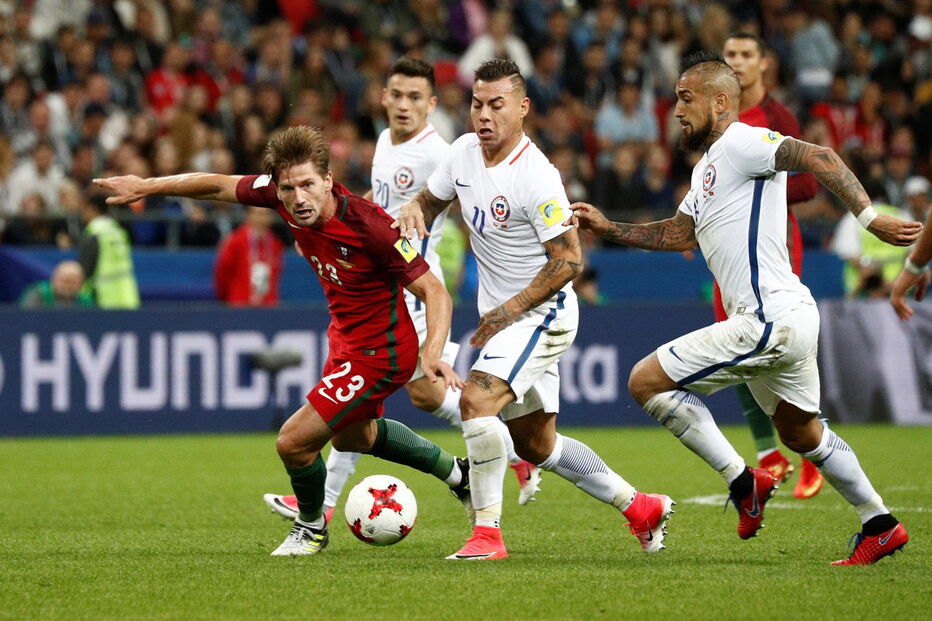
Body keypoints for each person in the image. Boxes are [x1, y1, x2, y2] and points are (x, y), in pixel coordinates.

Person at [570, 51, 919, 565]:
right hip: (789, 318)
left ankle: (744, 481)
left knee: (645, 382)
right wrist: (610, 229)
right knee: (801, 431)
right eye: (675, 101)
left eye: (686, 99)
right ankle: (880, 523)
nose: (678, 111)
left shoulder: (742, 141)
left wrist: (868, 219)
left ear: (719, 101)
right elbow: (679, 231)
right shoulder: (709, 167)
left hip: (767, 319)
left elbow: (820, 156)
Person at [94, 126, 472, 557]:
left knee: (293, 442)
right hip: (346, 341)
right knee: (354, 438)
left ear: (328, 180)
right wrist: (146, 186)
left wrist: (433, 353)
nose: (298, 199)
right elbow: (215, 185)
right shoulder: (278, 194)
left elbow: (435, 291)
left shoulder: (371, 226)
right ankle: (458, 475)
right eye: (289, 188)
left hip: (382, 353)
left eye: (309, 185)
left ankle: (310, 528)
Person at [395, 59, 673, 561]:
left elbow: (569, 259)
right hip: (505, 317)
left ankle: (486, 534)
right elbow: (432, 200)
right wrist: (416, 207)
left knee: (474, 403)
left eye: (497, 105)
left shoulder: (537, 176)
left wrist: (510, 309)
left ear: (522, 109)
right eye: (477, 104)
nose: (484, 115)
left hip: (541, 314)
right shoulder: (462, 154)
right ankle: (641, 506)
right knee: (536, 445)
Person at [263, 58, 542, 525]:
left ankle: (509, 450)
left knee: (405, 396)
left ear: (432, 105)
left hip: (410, 289)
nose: (404, 105)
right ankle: (328, 503)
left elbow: (457, 211)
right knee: (397, 401)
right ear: (384, 98)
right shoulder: (384, 143)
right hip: (382, 284)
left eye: (416, 97)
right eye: (397, 94)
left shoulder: (439, 152)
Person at [722, 31, 823, 499]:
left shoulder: (779, 118)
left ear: (764, 63)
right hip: (727, 242)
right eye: (730, 55)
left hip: (776, 243)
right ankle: (769, 455)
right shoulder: (719, 113)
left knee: (779, 342)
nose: (737, 62)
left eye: (746, 54)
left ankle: (811, 450)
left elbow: (809, 184)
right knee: (736, 344)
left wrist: (763, 181)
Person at [213, 206, 283, 306]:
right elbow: (222, 273)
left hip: (267, 305)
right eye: (258, 214)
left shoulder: (275, 244)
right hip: (239, 304)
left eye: (266, 214)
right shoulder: (235, 241)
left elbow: (275, 277)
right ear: (249, 215)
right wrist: (227, 298)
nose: (262, 218)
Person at [78, 196, 141, 309]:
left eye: (84, 208)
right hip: (127, 295)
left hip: (103, 296)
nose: (81, 212)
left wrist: (82, 293)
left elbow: (86, 268)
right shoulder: (118, 231)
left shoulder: (93, 233)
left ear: (92, 209)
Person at [890, 178, 932, 321]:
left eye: (920, 196)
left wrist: (914, 268)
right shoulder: (901, 217)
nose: (917, 201)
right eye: (913, 197)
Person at [18, 260, 94, 308]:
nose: (68, 286)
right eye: (65, 281)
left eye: (73, 282)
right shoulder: (38, 294)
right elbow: (26, 317)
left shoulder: (85, 302)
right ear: (54, 279)